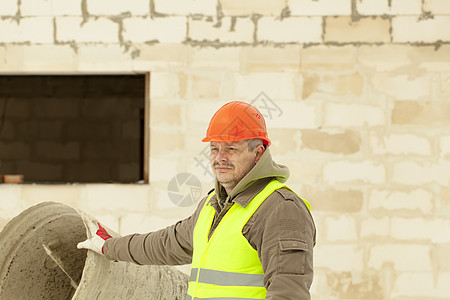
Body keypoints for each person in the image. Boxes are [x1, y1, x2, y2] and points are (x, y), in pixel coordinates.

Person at [78, 101, 316, 299]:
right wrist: (108, 246)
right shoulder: (214, 205)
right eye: (214, 149)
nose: (220, 158)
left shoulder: (280, 209)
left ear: (258, 153)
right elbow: (164, 244)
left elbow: (288, 294)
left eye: (231, 148)